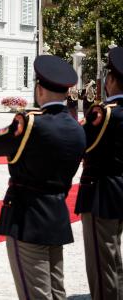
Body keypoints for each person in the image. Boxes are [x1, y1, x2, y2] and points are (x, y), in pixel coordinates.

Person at [0, 55, 86, 299]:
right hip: (57, 216)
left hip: (27, 218)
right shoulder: (77, 129)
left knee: (35, 293)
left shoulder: (29, 123)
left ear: (39, 89)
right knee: (56, 290)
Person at [74, 47, 123, 299]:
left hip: (101, 193)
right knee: (114, 258)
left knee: (102, 264)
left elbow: (78, 142)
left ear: (112, 80)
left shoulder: (104, 114)